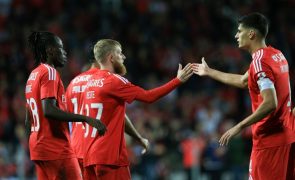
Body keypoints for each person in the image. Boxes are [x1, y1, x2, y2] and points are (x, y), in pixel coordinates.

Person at [193, 13, 295, 179]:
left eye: (239, 31)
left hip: (269, 141)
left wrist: (239, 127)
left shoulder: (259, 62)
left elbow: (270, 103)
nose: (236, 35)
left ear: (251, 34)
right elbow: (242, 81)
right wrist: (209, 71)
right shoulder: (276, 55)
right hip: (287, 136)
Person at [82, 39, 194, 179]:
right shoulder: (114, 81)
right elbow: (148, 97)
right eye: (120, 53)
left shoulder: (86, 83)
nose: (124, 57)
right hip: (109, 157)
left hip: (88, 155)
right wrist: (177, 81)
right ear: (111, 57)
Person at [25, 31, 106, 179]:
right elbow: (48, 110)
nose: (64, 52)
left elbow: (28, 118)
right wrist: (87, 119)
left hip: (38, 148)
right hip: (55, 147)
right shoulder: (50, 72)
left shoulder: (33, 75)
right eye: (61, 48)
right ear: (50, 50)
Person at [65, 47, 150, 176]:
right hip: (98, 152)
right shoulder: (101, 81)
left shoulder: (72, 84)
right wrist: (138, 137)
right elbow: (119, 114)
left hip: (76, 151)